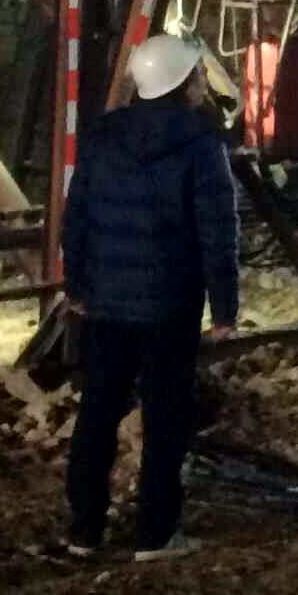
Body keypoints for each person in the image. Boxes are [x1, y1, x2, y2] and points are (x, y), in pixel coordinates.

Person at [62, 31, 240, 560]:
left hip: (107, 304)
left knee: (98, 410)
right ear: (184, 85)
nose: (204, 82)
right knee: (165, 418)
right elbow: (218, 234)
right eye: (199, 75)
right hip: (170, 305)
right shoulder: (201, 145)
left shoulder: (103, 136)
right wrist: (224, 310)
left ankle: (83, 530)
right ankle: (156, 534)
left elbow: (77, 217)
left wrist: (77, 286)